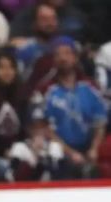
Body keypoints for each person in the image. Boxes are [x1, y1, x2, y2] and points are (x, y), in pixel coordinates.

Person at [43, 37, 108, 177]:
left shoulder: (91, 87)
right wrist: (70, 153)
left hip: (89, 148)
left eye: (67, 53)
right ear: (53, 59)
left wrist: (94, 148)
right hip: (61, 152)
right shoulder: (45, 89)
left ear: (75, 57)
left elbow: (100, 122)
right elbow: (43, 128)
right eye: (58, 54)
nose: (63, 58)